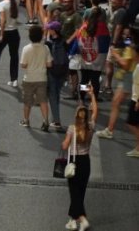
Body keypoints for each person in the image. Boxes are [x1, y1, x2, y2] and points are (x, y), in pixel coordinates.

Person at [62, 85, 98, 231]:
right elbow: (95, 111)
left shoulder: (72, 129)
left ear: (76, 117)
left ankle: (82, 219)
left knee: (74, 193)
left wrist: (65, 141)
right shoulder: (90, 126)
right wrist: (92, 95)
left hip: (74, 162)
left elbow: (65, 146)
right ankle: (72, 220)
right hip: (86, 163)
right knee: (80, 192)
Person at [97, 35, 137, 140]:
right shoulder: (130, 43)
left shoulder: (132, 45)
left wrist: (115, 54)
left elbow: (126, 64)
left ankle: (109, 130)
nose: (125, 36)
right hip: (128, 76)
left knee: (117, 103)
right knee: (115, 102)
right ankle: (109, 130)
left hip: (129, 76)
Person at [20, 25, 52, 130]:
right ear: (41, 36)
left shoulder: (26, 48)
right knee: (43, 101)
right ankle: (46, 120)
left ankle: (26, 120)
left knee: (27, 101)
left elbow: (23, 65)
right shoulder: (45, 48)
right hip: (42, 78)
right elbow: (49, 64)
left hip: (29, 78)